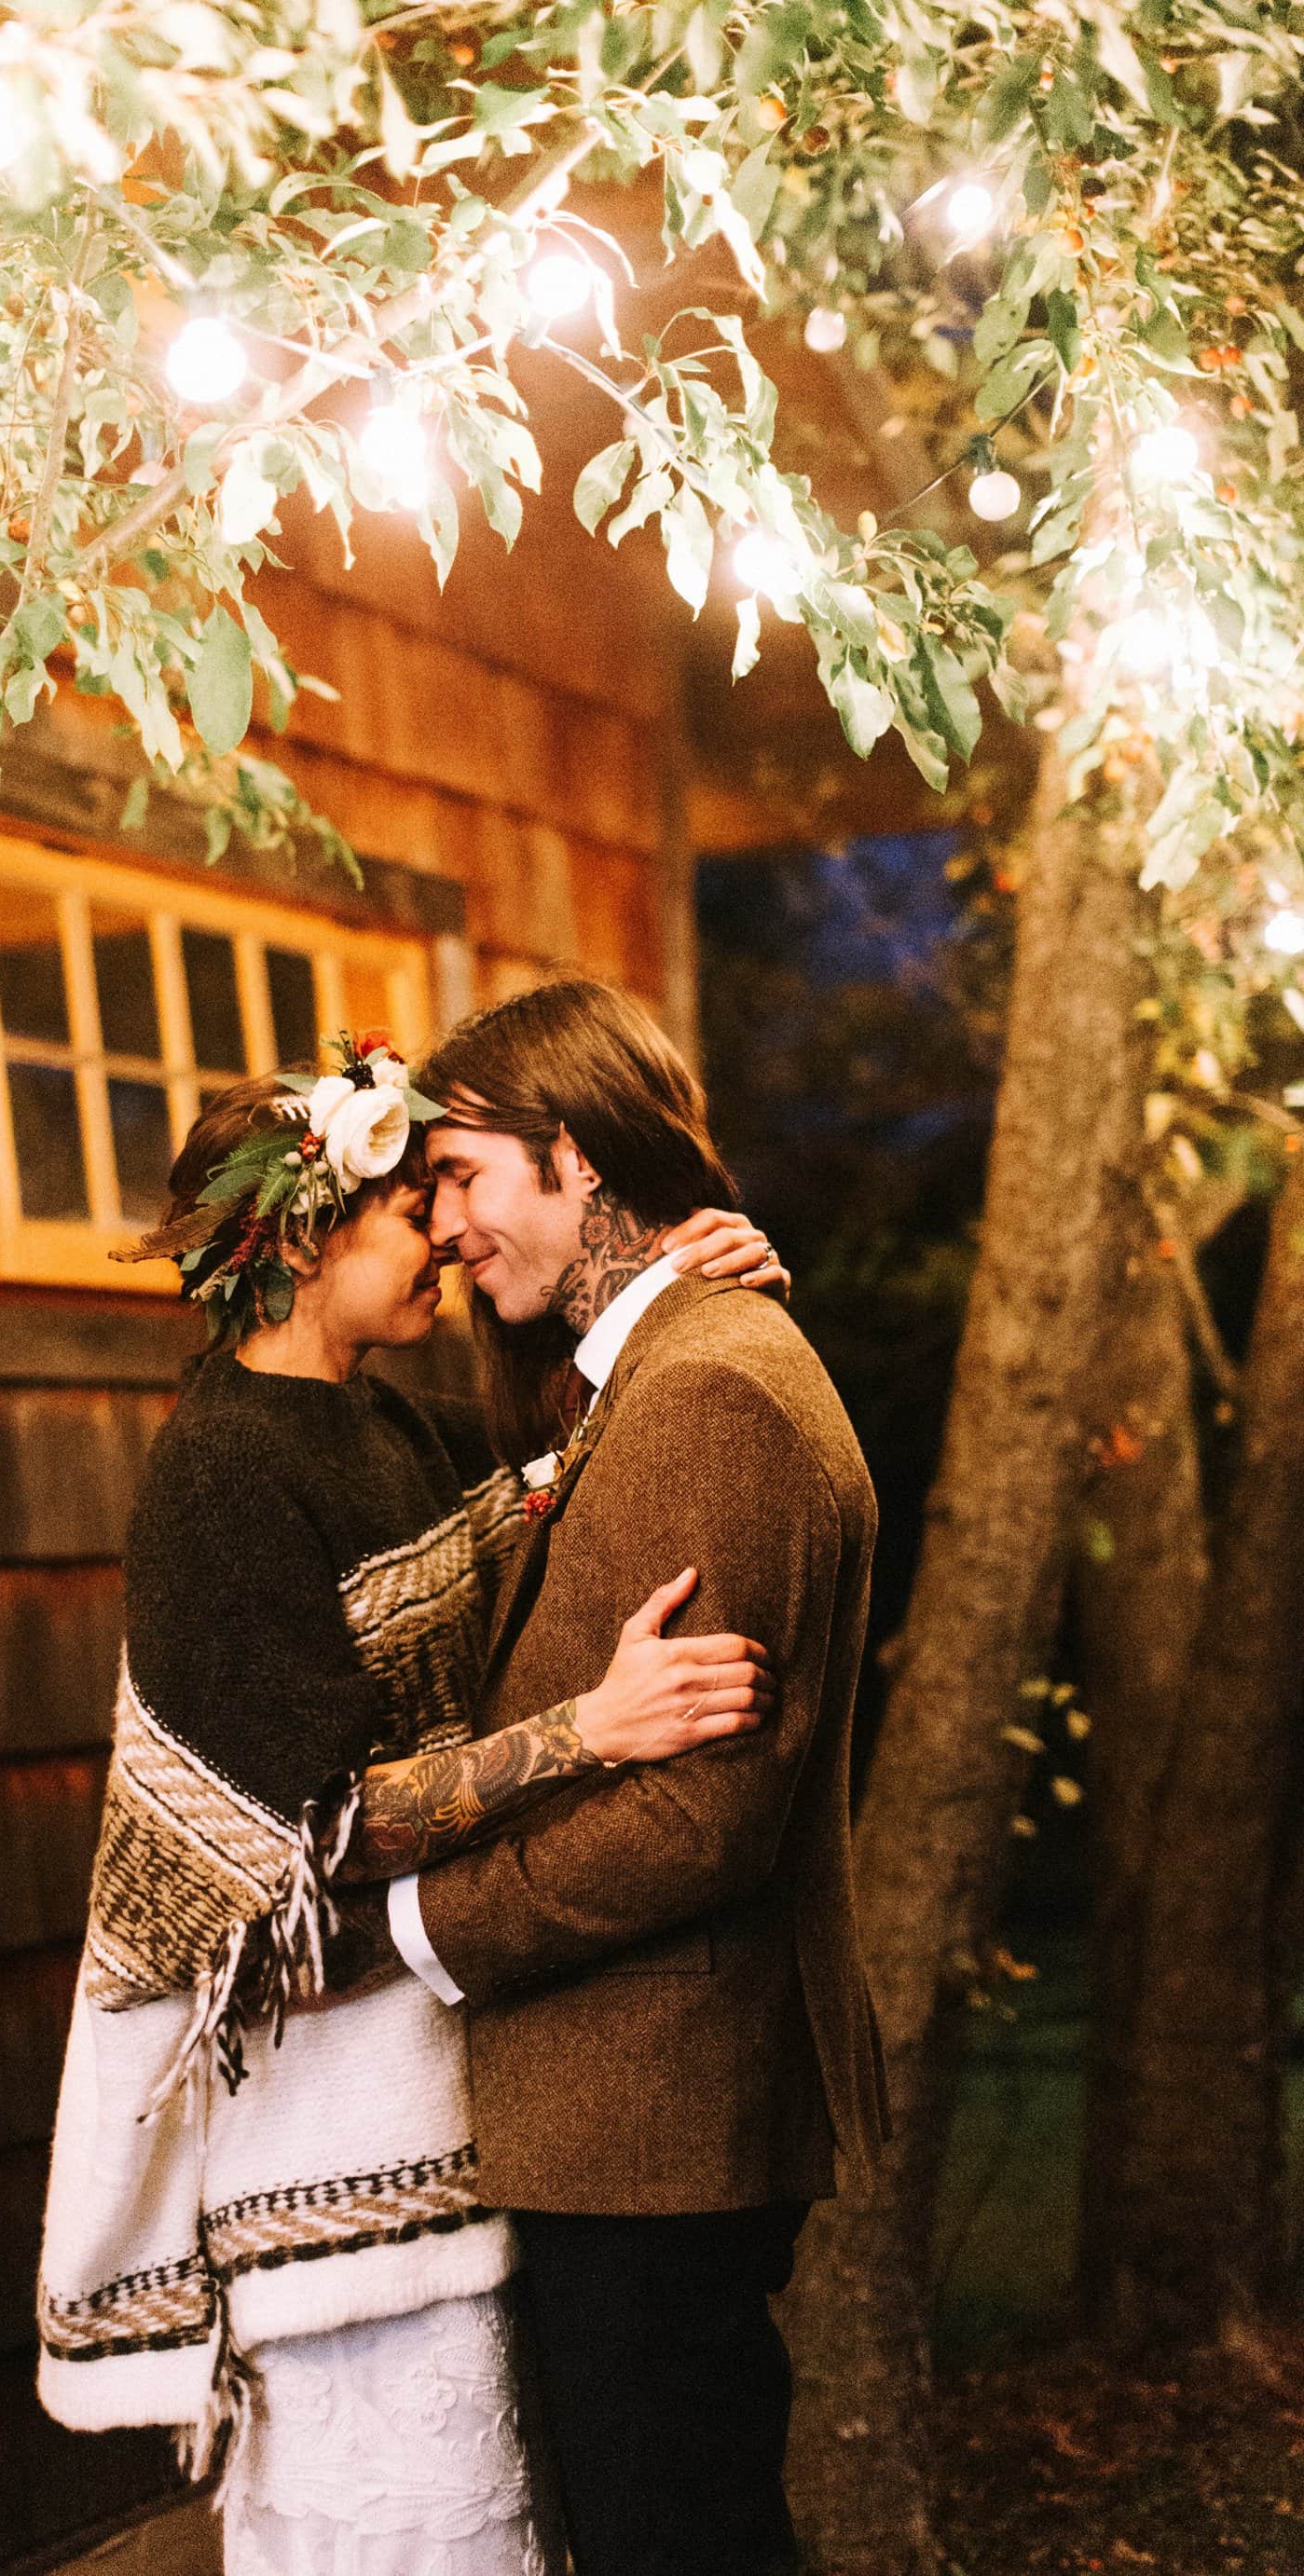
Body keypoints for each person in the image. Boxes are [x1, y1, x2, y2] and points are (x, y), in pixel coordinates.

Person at [34, 1029, 789, 2575]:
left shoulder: (393, 1425)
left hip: (436, 2073)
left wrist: (673, 1286)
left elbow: (558, 1494)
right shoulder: (223, 1472)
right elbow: (312, 1838)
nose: (445, 1232)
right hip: (319, 2102)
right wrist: (592, 1732)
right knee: (397, 2510)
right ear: (307, 1239)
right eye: (413, 1202)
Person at [363, 979, 889, 2576]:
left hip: (660, 2119)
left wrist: (433, 1934)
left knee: (684, 2539)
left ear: (576, 1159)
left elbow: (698, 1817)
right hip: (635, 2120)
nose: (445, 1225)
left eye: (460, 1174)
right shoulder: (649, 1369)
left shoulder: (713, 1386)